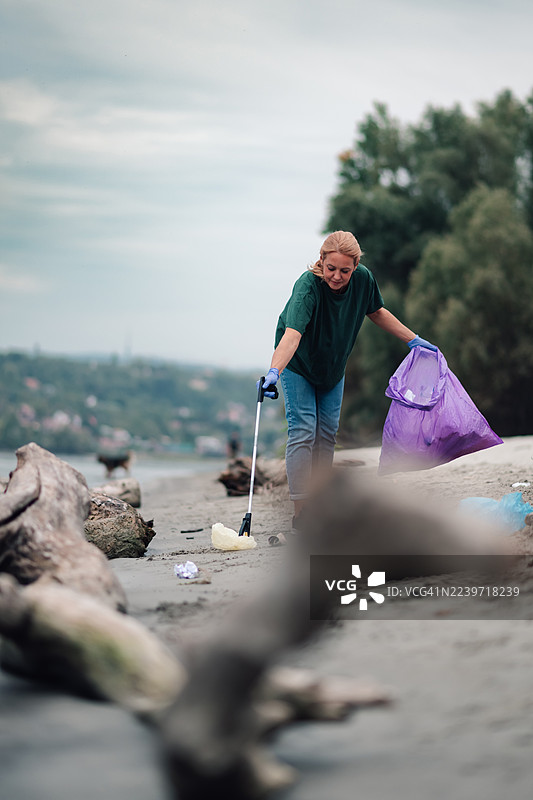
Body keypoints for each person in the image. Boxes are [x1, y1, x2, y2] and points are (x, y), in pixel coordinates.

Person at [260, 230, 436, 530]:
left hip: (332, 367)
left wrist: (413, 339)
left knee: (327, 433)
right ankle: (302, 513)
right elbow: (292, 335)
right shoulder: (308, 288)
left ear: (355, 267)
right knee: (304, 430)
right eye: (331, 269)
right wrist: (274, 371)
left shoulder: (363, 280)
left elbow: (377, 311)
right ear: (321, 261)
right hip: (298, 365)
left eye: (345, 270)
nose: (337, 276)